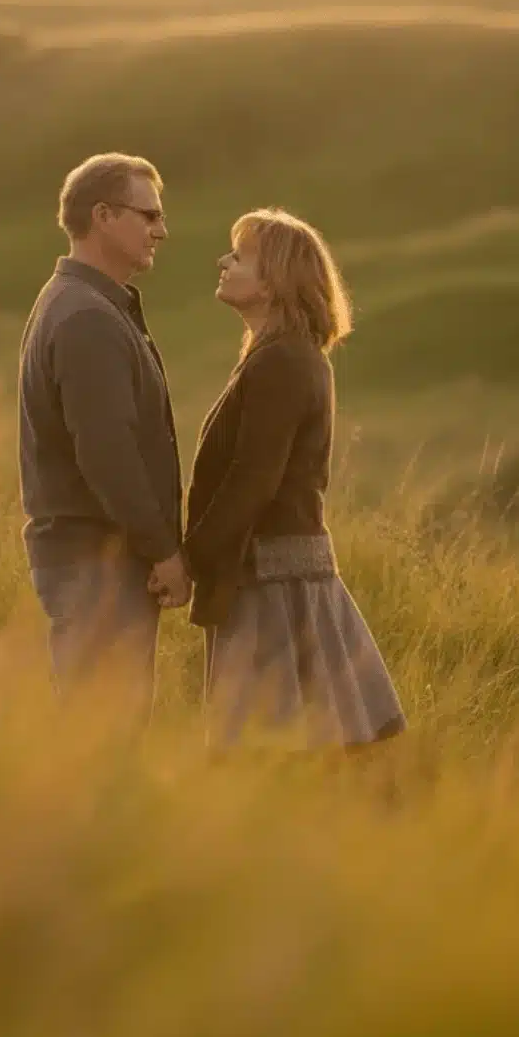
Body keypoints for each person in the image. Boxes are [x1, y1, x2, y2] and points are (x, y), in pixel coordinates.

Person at [180, 208, 406, 753]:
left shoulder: (282, 361)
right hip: (276, 572)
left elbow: (253, 480)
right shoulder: (279, 355)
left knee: (269, 748)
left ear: (272, 281)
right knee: (295, 746)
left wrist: (191, 558)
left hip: (274, 581)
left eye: (239, 257)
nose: (224, 262)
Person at [16, 152, 191, 709]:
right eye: (149, 215)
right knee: (103, 731)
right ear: (103, 216)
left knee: (104, 728)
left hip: (98, 563)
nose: (161, 231)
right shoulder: (86, 316)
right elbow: (107, 453)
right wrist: (163, 551)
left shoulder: (85, 304)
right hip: (97, 566)